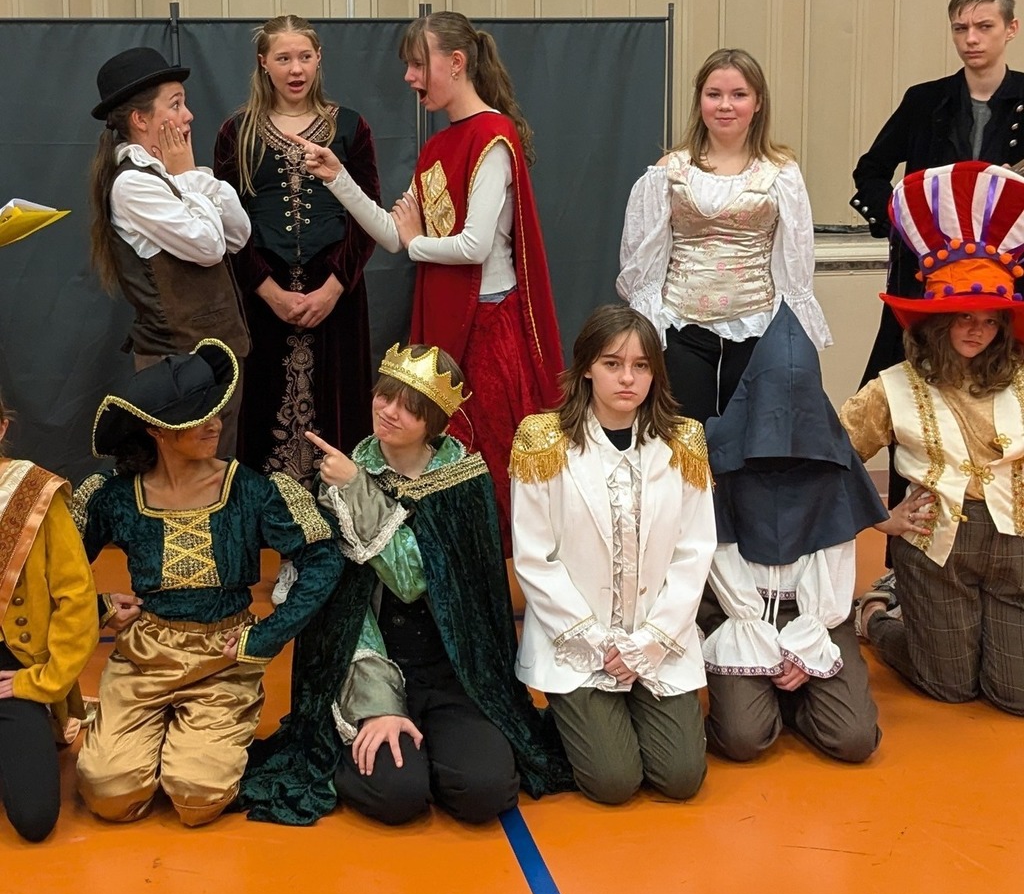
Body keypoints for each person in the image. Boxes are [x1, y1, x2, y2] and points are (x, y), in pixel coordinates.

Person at [237, 343, 573, 826]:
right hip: (370, 666)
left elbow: (416, 580)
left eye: (410, 408)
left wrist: (358, 489)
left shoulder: (462, 481)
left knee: (485, 791)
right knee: (397, 796)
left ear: (434, 422)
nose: (389, 412)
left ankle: (438, 749)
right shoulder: (340, 475)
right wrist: (378, 708)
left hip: (454, 673)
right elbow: (340, 609)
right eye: (385, 397)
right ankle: (397, 749)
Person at [295, 10, 564, 555]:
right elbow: (396, 237)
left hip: (489, 330)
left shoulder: (493, 136)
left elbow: (474, 246)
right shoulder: (440, 145)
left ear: (456, 63)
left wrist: (417, 242)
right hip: (452, 330)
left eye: (419, 65)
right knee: (448, 464)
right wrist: (337, 177)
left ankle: (498, 590)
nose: (410, 78)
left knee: (485, 464)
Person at [73, 339, 343, 826]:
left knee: (198, 798)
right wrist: (96, 607)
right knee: (110, 794)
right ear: (158, 431)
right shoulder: (114, 496)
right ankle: (139, 739)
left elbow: (323, 559)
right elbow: (58, 572)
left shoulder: (251, 490)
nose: (216, 424)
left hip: (224, 658)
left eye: (218, 411)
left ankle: (188, 745)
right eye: (200, 417)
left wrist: (264, 637)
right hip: (144, 657)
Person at [509, 305, 714, 805]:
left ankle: (621, 711)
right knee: (614, 782)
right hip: (580, 638)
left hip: (656, 635)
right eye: (612, 363)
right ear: (586, 368)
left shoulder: (682, 441)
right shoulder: (544, 441)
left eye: (641, 366)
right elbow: (536, 558)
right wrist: (600, 644)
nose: (628, 378)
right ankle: (575, 712)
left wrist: (650, 641)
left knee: (681, 777)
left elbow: (695, 551)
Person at [843, 162, 1024, 716]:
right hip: (938, 548)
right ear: (933, 322)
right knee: (948, 684)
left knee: (1013, 694)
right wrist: (880, 517)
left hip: (1015, 549)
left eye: (989, 320)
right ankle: (877, 613)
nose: (975, 329)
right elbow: (832, 458)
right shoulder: (891, 389)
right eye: (960, 316)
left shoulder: (1021, 379)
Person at [699, 303, 885, 764]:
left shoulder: (832, 456)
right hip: (740, 610)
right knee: (744, 740)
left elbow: (837, 554)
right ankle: (766, 698)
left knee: (855, 739)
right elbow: (718, 552)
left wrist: (804, 644)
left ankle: (796, 701)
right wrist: (758, 635)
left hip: (815, 611)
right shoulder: (721, 453)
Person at [617, 48, 831, 425]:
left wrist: (793, 332)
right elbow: (643, 258)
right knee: (684, 439)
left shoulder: (781, 173)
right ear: (699, 99)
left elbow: (795, 259)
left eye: (738, 95)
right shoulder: (669, 170)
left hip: (756, 325)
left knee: (750, 441)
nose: (725, 106)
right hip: (682, 325)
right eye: (714, 94)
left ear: (758, 102)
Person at [213, 14, 380, 487]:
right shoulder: (237, 132)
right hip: (265, 294)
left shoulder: (350, 127)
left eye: (304, 56)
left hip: (337, 296)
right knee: (264, 402)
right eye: (283, 58)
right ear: (264, 63)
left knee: (336, 403)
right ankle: (273, 530)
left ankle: (338, 527)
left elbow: (367, 217)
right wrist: (268, 291)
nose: (295, 68)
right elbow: (227, 223)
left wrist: (332, 289)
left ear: (319, 58)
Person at [852, 0, 1024, 388]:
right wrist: (904, 224)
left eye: (984, 26)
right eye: (960, 28)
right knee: (907, 392)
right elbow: (870, 171)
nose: (971, 39)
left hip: (1012, 283)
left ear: (1011, 29)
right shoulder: (924, 101)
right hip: (928, 281)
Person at [88, 46, 252, 457]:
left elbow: (238, 233)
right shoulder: (133, 185)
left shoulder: (172, 174)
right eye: (175, 104)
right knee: (186, 467)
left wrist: (192, 176)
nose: (188, 115)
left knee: (218, 461)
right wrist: (187, 176)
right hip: (176, 361)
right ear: (141, 119)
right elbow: (210, 247)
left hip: (215, 351)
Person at [0, 396, 98, 842]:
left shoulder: (33, 492)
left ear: (2, 427)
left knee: (35, 818)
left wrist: (39, 682)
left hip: (12, 673)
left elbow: (75, 598)